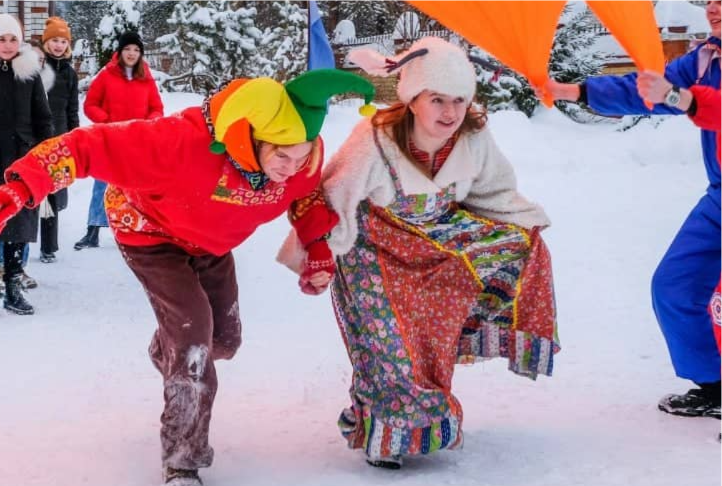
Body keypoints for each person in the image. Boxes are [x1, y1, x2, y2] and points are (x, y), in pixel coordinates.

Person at [0, 68, 374, 485]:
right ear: (247, 137)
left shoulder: (301, 162)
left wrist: (317, 250)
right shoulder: (178, 143)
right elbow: (84, 147)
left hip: (210, 242)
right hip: (149, 233)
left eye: (301, 156)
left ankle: (170, 350)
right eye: (281, 155)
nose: (291, 167)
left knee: (222, 341)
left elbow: (306, 198)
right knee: (193, 343)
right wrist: (20, 189)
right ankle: (182, 459)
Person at [279, 37, 559, 469]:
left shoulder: (473, 136)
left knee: (521, 245)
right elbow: (330, 199)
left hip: (437, 239)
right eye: (437, 99)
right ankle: (385, 435)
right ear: (412, 99)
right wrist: (319, 258)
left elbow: (494, 191)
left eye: (459, 101)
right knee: (389, 345)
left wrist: (522, 222)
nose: (449, 113)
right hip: (375, 248)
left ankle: (425, 370)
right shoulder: (375, 138)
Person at [538, 0, 722, 420]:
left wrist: (680, 97)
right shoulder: (705, 59)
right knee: (675, 286)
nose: (713, 6)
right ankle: (715, 386)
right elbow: (645, 89)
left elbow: (704, 104)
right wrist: (572, 91)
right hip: (720, 197)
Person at [75, 30, 163, 251]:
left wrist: (148, 124)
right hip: (110, 139)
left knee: (136, 188)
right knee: (102, 185)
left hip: (137, 141)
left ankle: (138, 231)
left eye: (136, 50)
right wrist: (108, 121)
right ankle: (92, 231)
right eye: (128, 49)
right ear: (120, 51)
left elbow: (157, 108)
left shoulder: (146, 76)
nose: (132, 53)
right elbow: (90, 105)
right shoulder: (107, 75)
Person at [0, 14, 52, 315]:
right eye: (1, 39)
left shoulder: (30, 75)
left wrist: (44, 157)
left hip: (22, 163)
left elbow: (44, 119)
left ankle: (14, 287)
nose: (7, 45)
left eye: (12, 39)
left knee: (18, 227)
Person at [35, 16, 78, 263]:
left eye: (63, 41)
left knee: (53, 193)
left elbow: (73, 109)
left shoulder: (70, 73)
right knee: (33, 191)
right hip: (36, 138)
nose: (59, 45)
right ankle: (20, 244)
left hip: (60, 138)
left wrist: (74, 137)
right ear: (46, 42)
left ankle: (48, 247)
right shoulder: (38, 67)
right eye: (54, 41)